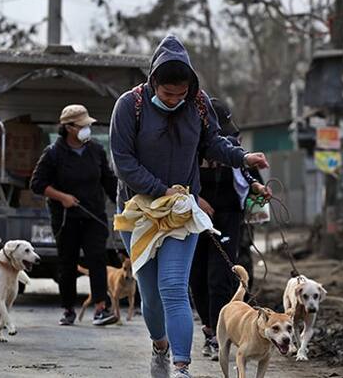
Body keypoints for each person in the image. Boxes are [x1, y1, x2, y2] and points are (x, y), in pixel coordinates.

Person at [109, 35, 269, 378]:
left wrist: (242, 158)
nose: (174, 100)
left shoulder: (198, 104)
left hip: (181, 211)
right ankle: (160, 346)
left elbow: (213, 142)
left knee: (173, 287)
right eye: (167, 95)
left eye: (181, 94)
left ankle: (181, 367)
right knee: (150, 295)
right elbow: (122, 161)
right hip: (139, 211)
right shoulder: (128, 106)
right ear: (153, 83)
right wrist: (160, 189)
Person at [189, 98, 271, 361]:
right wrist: (196, 200)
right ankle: (208, 328)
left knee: (221, 276)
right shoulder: (189, 152)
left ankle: (218, 334)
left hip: (228, 218)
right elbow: (176, 182)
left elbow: (247, 175)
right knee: (197, 277)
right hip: (194, 220)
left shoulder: (233, 151)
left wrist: (258, 189)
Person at [30, 104, 118, 326]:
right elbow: (37, 184)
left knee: (98, 258)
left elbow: (108, 180)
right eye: (82, 125)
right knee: (67, 262)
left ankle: (101, 307)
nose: (87, 129)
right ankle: (68, 308)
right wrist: (62, 197)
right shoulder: (53, 153)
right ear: (69, 128)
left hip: (94, 215)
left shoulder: (96, 150)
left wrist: (124, 205)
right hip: (66, 218)